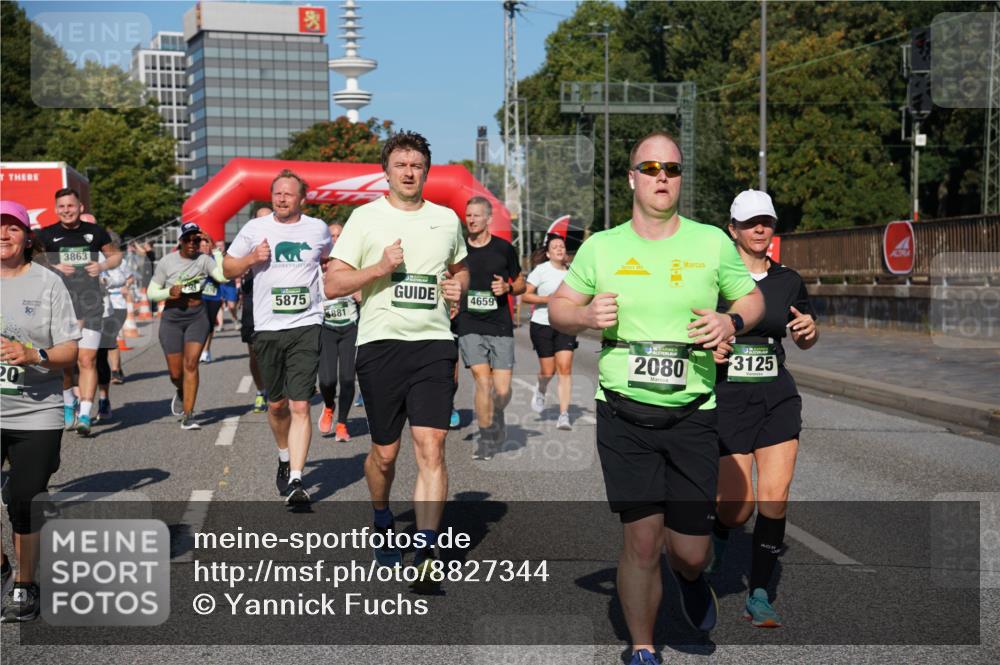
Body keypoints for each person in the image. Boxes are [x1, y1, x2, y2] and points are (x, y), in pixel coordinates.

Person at [548, 131, 765, 665]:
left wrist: (730, 321)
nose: (662, 176)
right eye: (650, 168)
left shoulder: (711, 242)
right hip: (624, 413)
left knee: (690, 551)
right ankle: (642, 648)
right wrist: (584, 315)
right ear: (632, 178)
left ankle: (690, 578)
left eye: (671, 168)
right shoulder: (602, 247)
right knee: (642, 542)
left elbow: (753, 298)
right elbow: (558, 308)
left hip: (693, 414)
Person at [325, 131, 467, 584]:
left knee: (432, 446)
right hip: (380, 346)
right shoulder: (365, 219)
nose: (409, 172)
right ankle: (382, 516)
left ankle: (427, 549)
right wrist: (379, 269)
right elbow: (332, 284)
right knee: (385, 455)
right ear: (386, 172)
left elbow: (461, 269)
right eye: (401, 165)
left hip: (434, 345)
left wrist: (457, 287)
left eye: (416, 165)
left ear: (427, 171)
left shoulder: (446, 219)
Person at [707, 189, 818, 628]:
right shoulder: (714, 280)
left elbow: (803, 333)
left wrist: (809, 332)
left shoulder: (788, 279)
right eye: (750, 222)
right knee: (738, 508)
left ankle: (759, 593)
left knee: (775, 496)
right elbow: (690, 329)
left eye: (766, 222)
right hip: (728, 397)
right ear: (732, 229)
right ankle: (718, 535)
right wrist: (709, 349)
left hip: (776, 396)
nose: (759, 229)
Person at [224, 171, 332, 505]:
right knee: (277, 405)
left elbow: (330, 259)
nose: (282, 198)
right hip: (268, 327)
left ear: (302, 199)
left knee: (300, 404)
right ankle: (284, 455)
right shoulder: (254, 228)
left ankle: (297, 479)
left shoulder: (317, 229)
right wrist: (250, 259)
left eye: (289, 194)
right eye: (277, 194)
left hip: (306, 324)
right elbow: (227, 268)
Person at [1, 201, 81, 622]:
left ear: (27, 237)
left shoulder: (48, 283)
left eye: (12, 227)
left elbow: (69, 350)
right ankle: (2, 567)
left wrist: (33, 354)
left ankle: (26, 584)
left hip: (36, 412)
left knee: (24, 500)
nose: (3, 234)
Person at [35, 188, 122, 437]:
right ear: (56, 209)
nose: (67, 211)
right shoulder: (46, 234)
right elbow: (33, 260)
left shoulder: (95, 232)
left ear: (80, 207)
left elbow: (116, 257)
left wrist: (102, 265)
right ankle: (68, 404)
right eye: (62, 207)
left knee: (87, 360)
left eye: (71, 206)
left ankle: (84, 414)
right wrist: (54, 265)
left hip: (91, 303)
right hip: (60, 306)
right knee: (65, 363)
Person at [454, 196, 524, 460]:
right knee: (483, 381)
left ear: (488, 219)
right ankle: (485, 439)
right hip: (469, 322)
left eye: (476, 215)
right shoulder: (459, 251)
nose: (471, 220)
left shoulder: (503, 249)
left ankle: (498, 414)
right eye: (468, 215)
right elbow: (448, 278)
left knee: (501, 391)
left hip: (500, 324)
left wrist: (508, 287)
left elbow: (521, 284)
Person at [147, 222, 227, 430]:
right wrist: (168, 292)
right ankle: (181, 391)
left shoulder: (204, 260)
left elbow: (222, 276)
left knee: (191, 365)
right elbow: (151, 293)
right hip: (172, 318)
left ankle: (189, 415)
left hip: (197, 317)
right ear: (181, 241)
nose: (192, 243)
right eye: (188, 239)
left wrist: (216, 250)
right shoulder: (167, 262)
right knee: (176, 373)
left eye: (196, 240)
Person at [522, 234, 577, 430]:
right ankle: (541, 389)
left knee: (565, 368)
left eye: (562, 246)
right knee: (548, 370)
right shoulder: (541, 270)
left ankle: (564, 415)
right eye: (555, 247)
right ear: (548, 253)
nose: (559, 249)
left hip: (566, 324)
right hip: (542, 324)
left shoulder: (573, 272)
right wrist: (549, 299)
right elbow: (526, 296)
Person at [317, 221, 360, 442]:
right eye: (331, 236)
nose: (335, 240)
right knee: (326, 381)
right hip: (326, 329)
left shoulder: (353, 264)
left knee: (347, 378)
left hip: (350, 328)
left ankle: (342, 423)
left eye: (339, 236)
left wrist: (360, 294)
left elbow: (364, 292)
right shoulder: (316, 265)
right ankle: (328, 405)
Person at [95, 231, 132, 422]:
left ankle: (113, 376)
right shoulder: (64, 251)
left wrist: (106, 281)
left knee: (106, 346)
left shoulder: (110, 258)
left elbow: (125, 277)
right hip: (75, 311)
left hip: (109, 308)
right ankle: (75, 404)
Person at [240, 206, 272, 414]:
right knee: (255, 354)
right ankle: (261, 391)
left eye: (268, 218)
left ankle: (283, 389)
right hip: (253, 302)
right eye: (260, 219)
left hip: (277, 301)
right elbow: (229, 268)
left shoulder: (285, 238)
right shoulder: (245, 242)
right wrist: (250, 259)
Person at [198, 234, 224, 363]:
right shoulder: (195, 260)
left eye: (206, 245)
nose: (204, 248)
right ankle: (199, 350)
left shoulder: (216, 258)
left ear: (211, 246)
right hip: (199, 296)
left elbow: (223, 274)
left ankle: (206, 350)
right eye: (202, 245)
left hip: (214, 296)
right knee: (200, 324)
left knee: (209, 325)